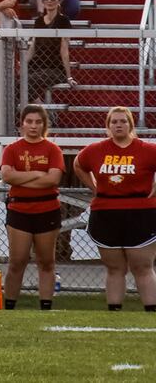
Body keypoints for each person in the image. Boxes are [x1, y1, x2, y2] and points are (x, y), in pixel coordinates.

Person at [73, 106, 156, 312]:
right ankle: (114, 312)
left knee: (142, 266)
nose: (118, 125)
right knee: (114, 267)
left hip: (140, 213)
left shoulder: (147, 149)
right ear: (108, 126)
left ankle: (151, 310)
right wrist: (93, 187)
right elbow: (78, 164)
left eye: (123, 121)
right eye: (114, 122)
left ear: (130, 124)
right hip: (106, 212)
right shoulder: (95, 150)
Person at [0, 104, 63, 311]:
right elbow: (8, 176)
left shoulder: (52, 149)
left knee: (46, 261)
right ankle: (9, 307)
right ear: (22, 124)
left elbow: (53, 179)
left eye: (38, 122)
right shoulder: (12, 149)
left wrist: (22, 179)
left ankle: (46, 307)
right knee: (17, 261)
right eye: (29, 121)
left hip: (47, 210)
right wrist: (38, 174)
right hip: (19, 210)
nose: (33, 126)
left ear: (44, 125)